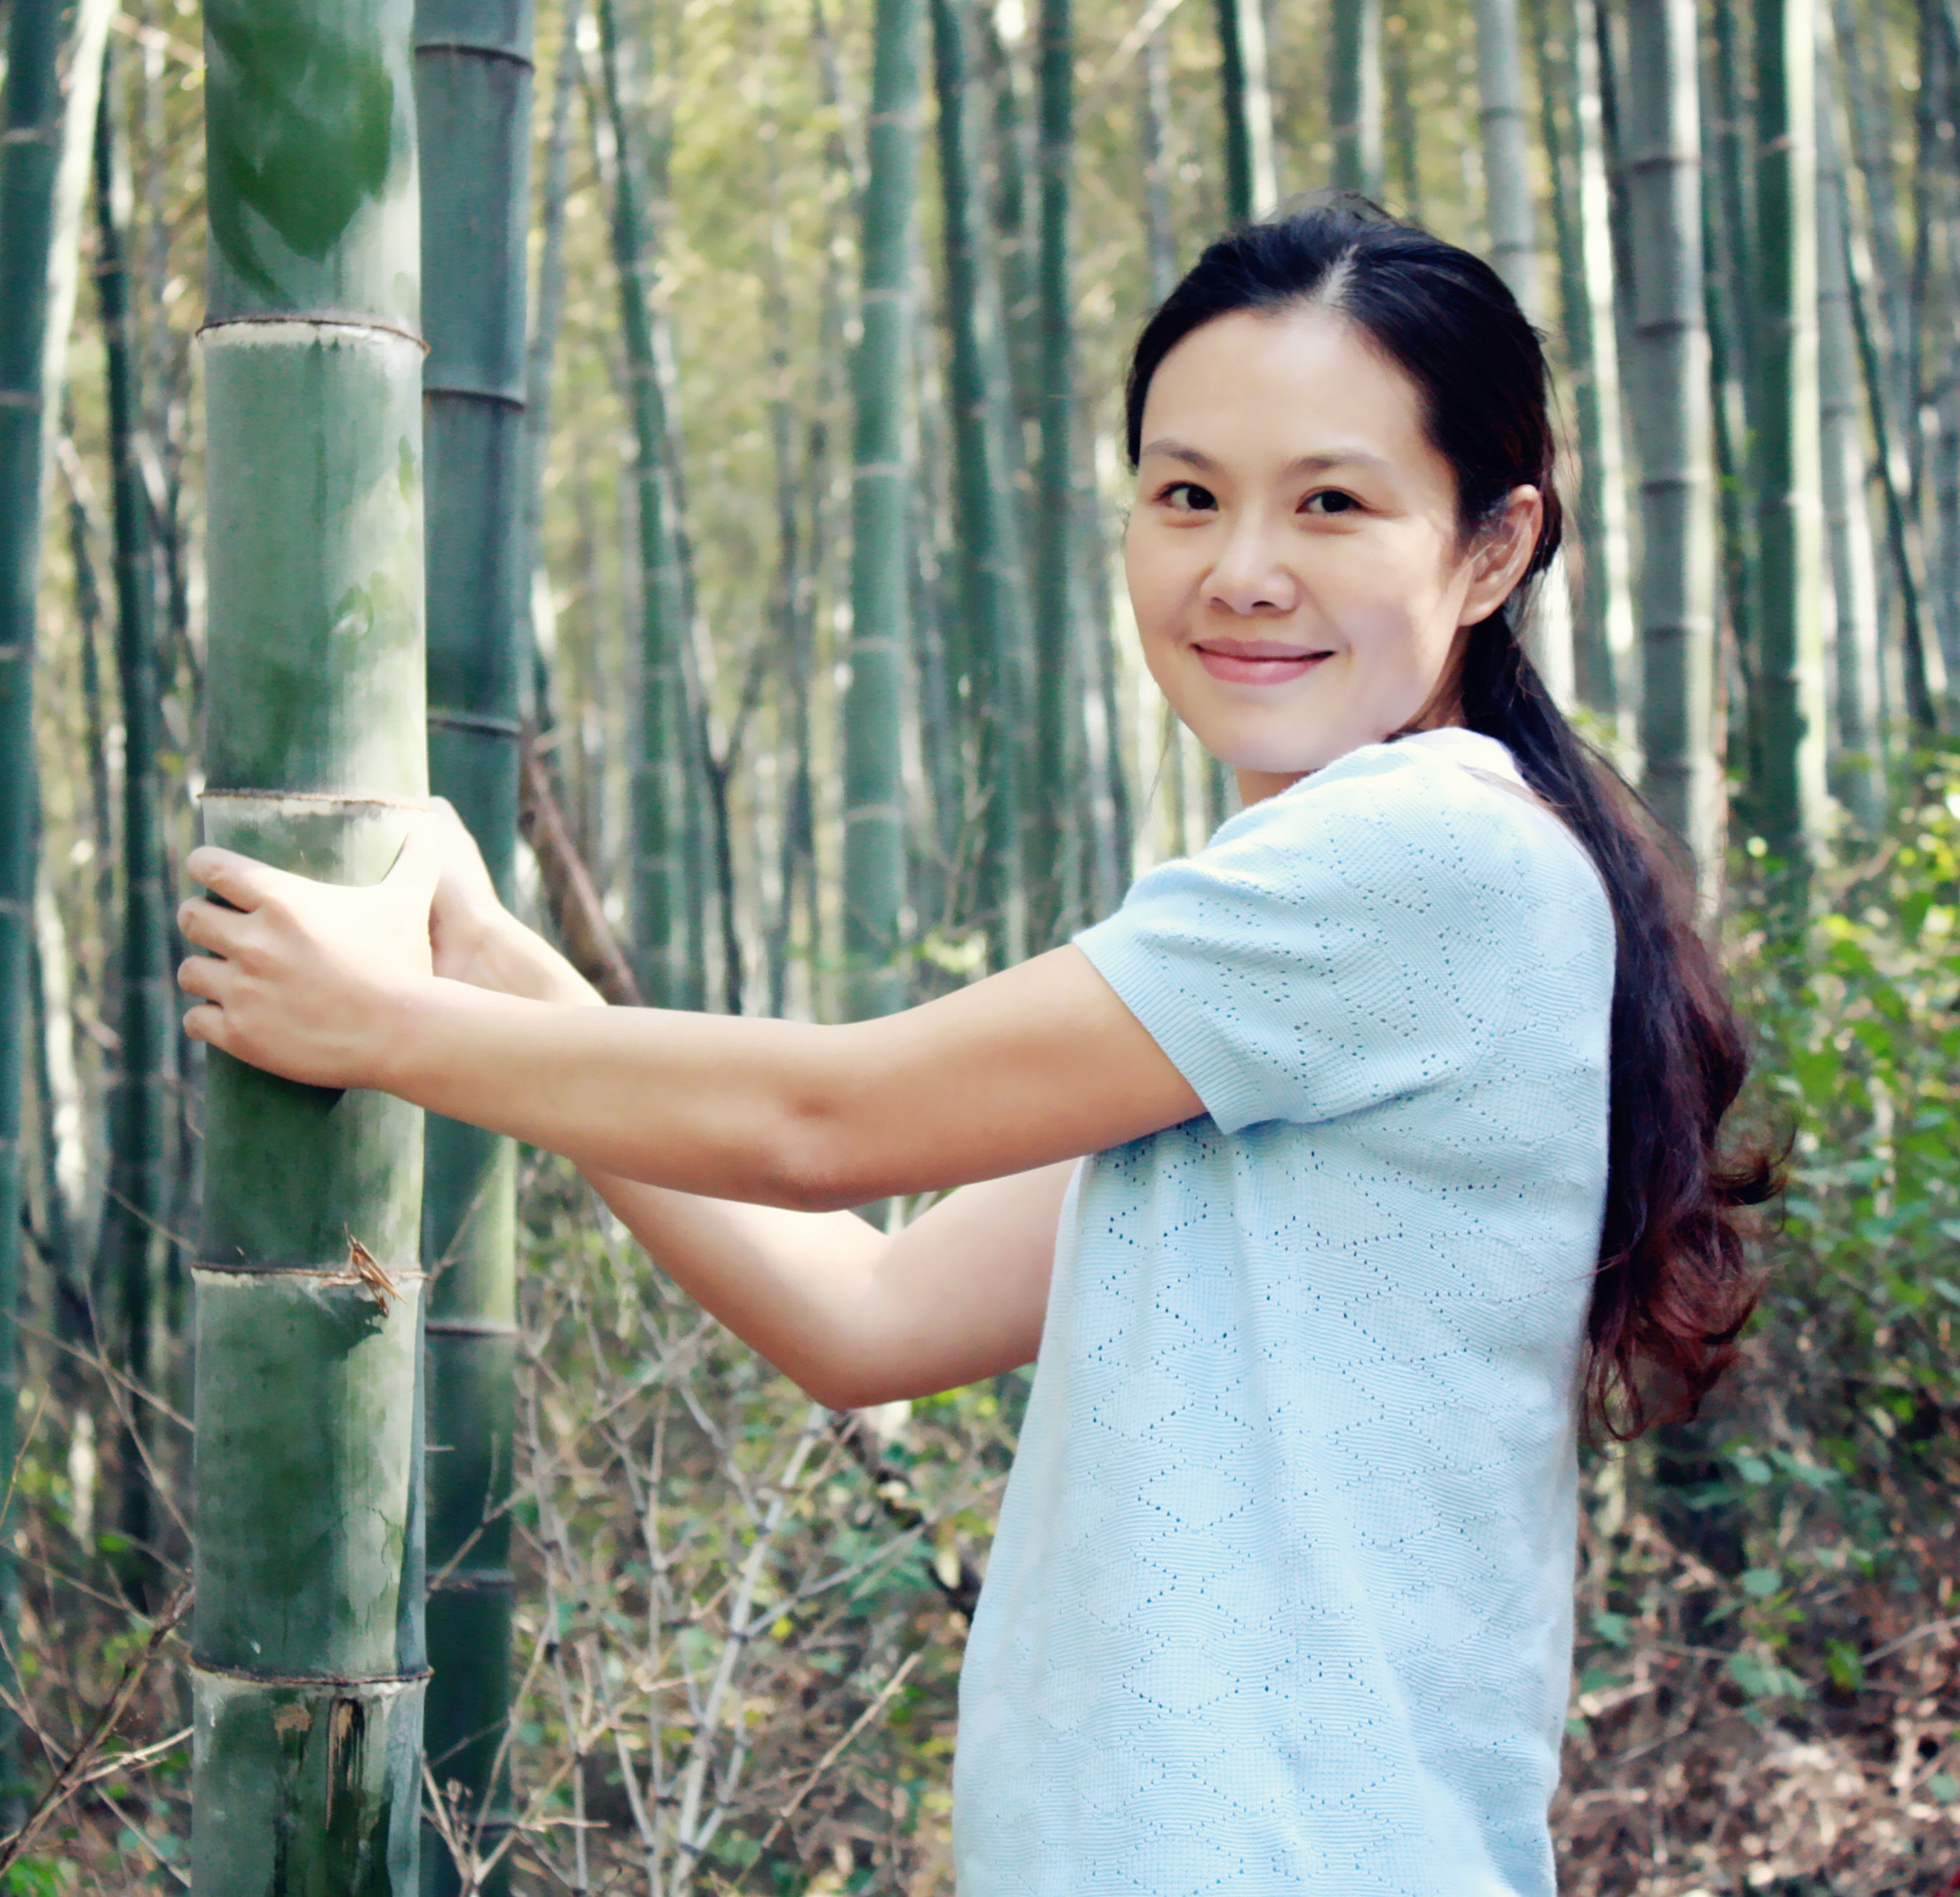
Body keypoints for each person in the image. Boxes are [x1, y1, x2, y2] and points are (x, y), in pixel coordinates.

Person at [176, 196, 1771, 1894]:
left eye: (1332, 501)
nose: (1241, 567)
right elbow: (866, 1312)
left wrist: (386, 1029)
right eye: (1186, 495)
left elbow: (829, 1117)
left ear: (1491, 545)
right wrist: (490, 962)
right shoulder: (1334, 938)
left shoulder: (1419, 854)